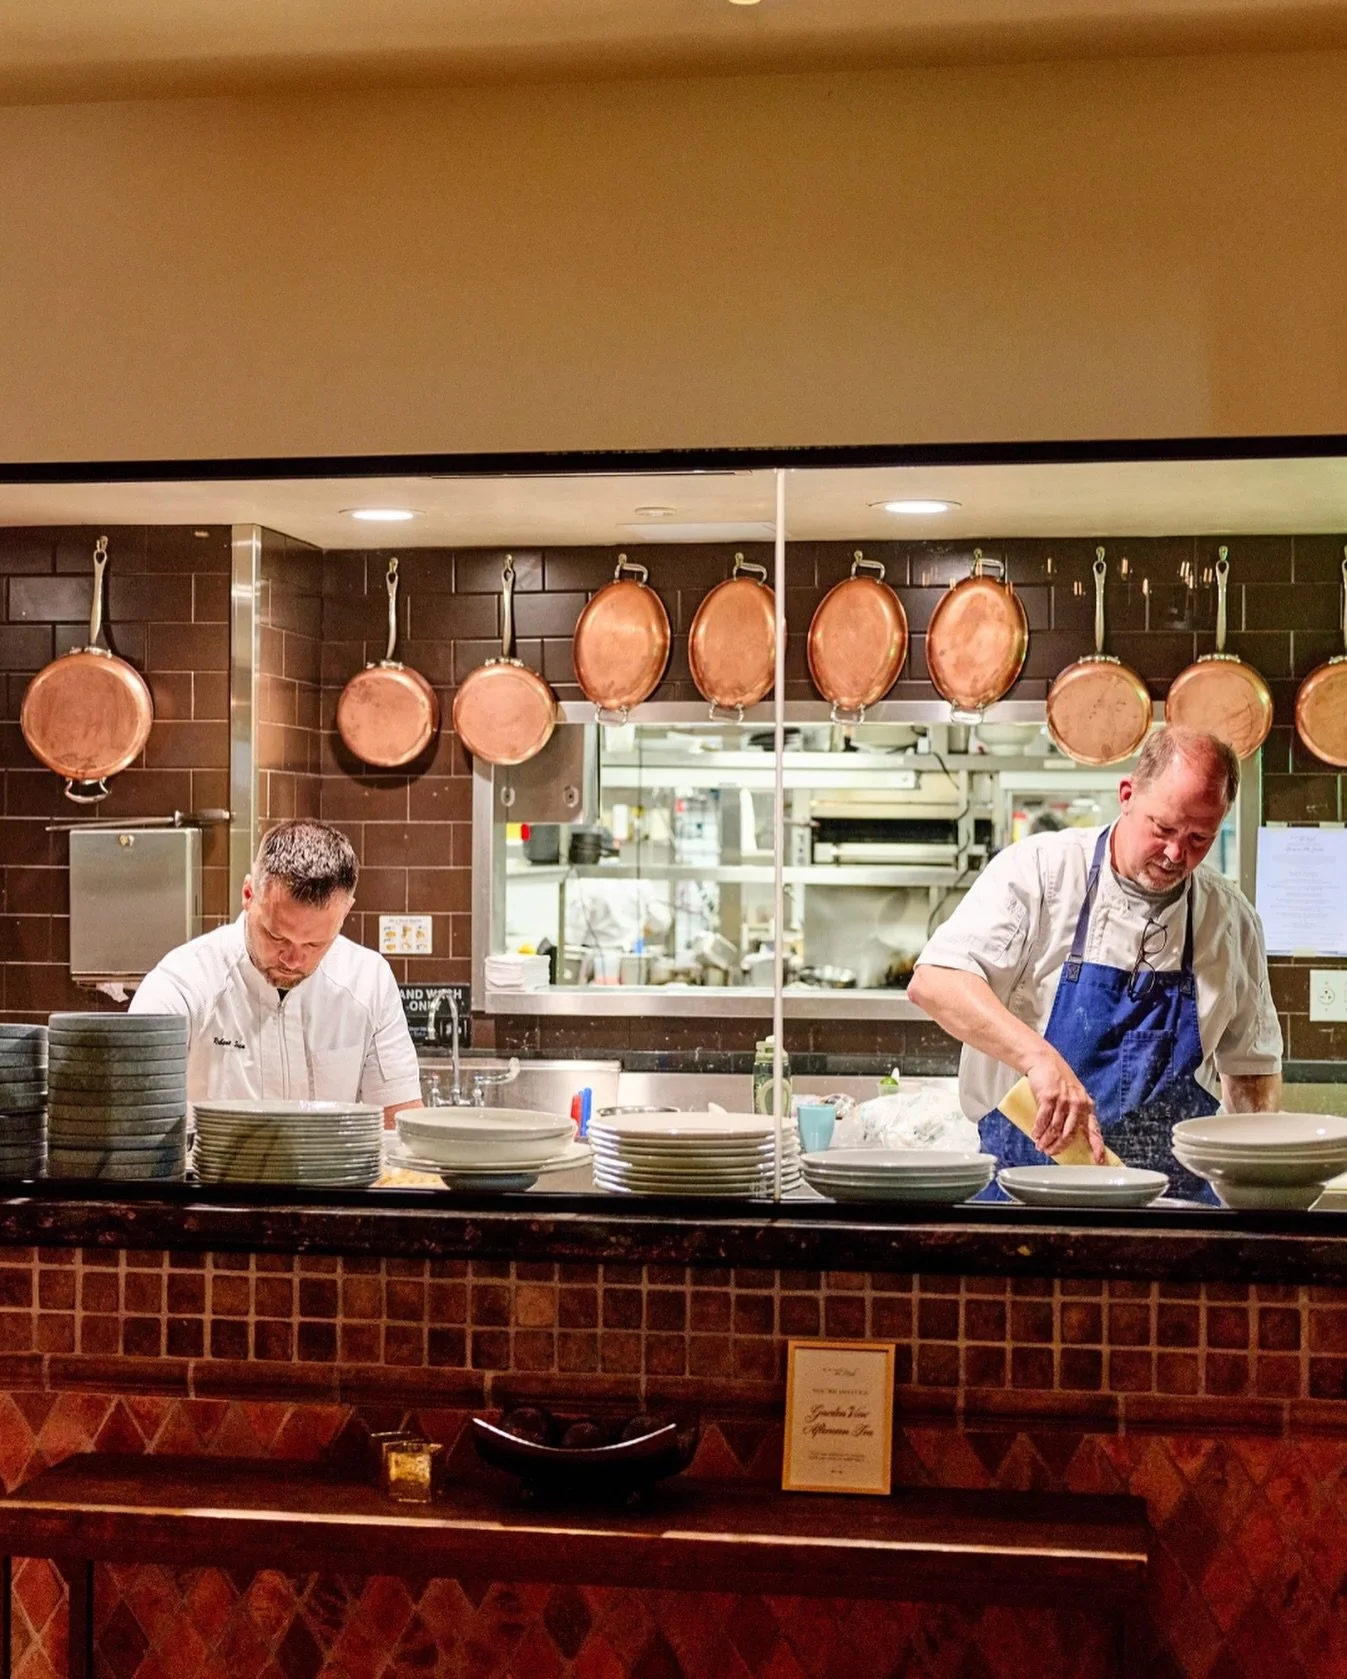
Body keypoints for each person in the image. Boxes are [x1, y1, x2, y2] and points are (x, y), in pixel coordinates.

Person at [907, 726, 1282, 1199]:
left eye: (1199, 838)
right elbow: (936, 981)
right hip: (1026, 1193)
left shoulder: (1230, 919)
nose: (1174, 854)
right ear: (1127, 795)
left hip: (1172, 1207)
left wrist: (1257, 1180)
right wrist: (1040, 1061)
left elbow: (1251, 1066)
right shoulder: (1040, 872)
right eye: (1163, 828)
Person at [132, 819, 423, 1123]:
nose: (294, 959)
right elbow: (133, 1116)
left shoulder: (368, 980)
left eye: (315, 943)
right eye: (277, 936)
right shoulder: (180, 986)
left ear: (346, 911)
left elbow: (399, 1121)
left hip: (334, 1170)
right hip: (207, 1171)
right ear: (248, 894)